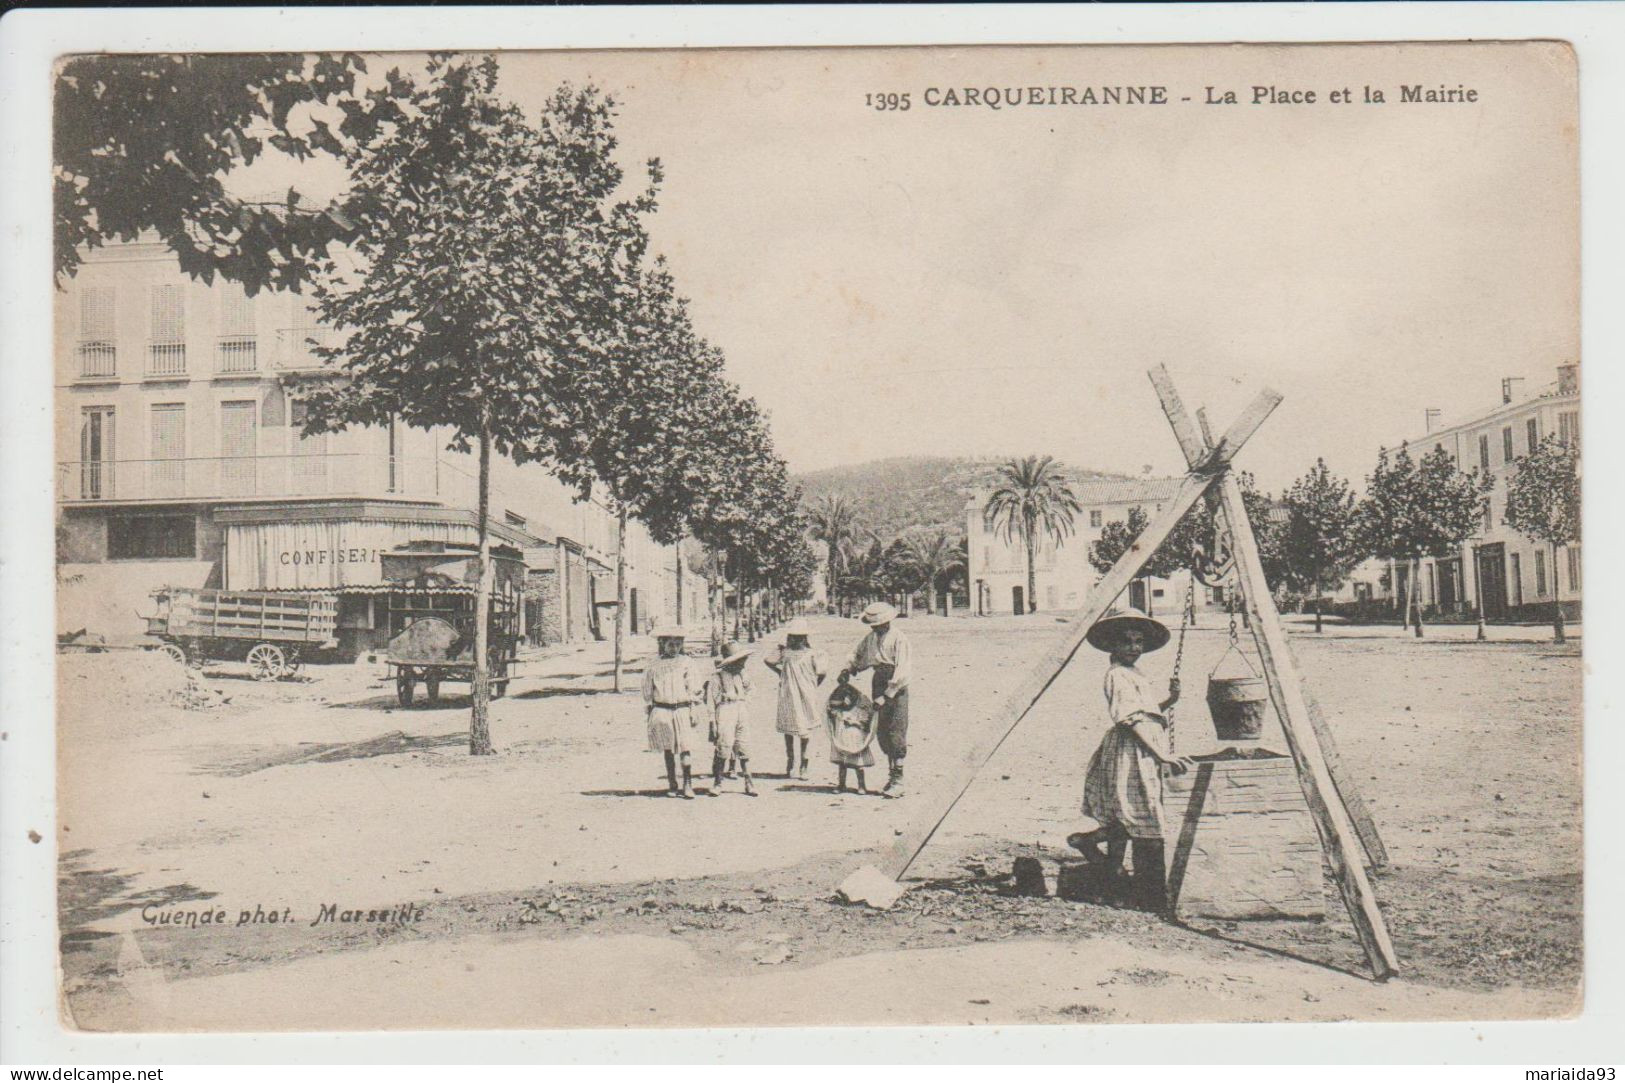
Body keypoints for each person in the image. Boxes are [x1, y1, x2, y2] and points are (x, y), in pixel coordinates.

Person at [1069, 607, 1194, 911]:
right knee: (1138, 812)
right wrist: (1161, 753)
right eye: (1127, 642)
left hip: (1143, 744)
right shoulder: (1116, 676)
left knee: (1130, 814)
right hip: (1131, 748)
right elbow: (1132, 719)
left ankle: (1110, 876)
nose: (1134, 648)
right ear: (1113, 645)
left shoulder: (1133, 673)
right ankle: (1137, 888)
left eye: (1138, 642)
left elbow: (1146, 712)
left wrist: (1169, 701)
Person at [838, 601, 913, 798]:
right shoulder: (871, 638)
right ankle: (891, 777)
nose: (876, 628)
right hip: (878, 681)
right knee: (882, 732)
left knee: (896, 730)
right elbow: (858, 655)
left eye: (879, 624)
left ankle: (899, 780)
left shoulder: (899, 639)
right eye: (873, 625)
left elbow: (903, 670)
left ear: (887, 622)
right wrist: (848, 669)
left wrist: (887, 695)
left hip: (895, 686)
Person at [642, 625, 705, 799]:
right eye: (670, 644)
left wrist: (693, 708)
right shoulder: (653, 665)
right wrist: (650, 712)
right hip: (662, 709)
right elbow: (647, 691)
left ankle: (687, 783)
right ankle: (672, 783)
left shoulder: (686, 663)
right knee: (668, 749)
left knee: (686, 748)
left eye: (678, 644)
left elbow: (694, 688)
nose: (674, 648)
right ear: (662, 643)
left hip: (682, 709)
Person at [762, 618, 827, 780]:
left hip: (806, 695)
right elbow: (768, 660)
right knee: (789, 729)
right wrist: (780, 672)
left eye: (799, 637)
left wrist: (812, 686)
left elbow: (822, 672)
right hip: (788, 694)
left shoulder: (812, 653)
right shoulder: (786, 652)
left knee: (805, 731)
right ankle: (791, 761)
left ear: (805, 638)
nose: (796, 639)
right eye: (793, 636)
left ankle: (804, 764)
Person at [708, 640, 758, 797]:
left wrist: (744, 700)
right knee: (724, 746)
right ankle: (718, 782)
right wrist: (713, 722)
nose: (743, 664)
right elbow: (711, 702)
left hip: (740, 709)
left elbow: (751, 689)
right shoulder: (717, 678)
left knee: (743, 745)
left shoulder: (743, 675)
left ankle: (749, 781)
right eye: (739, 661)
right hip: (725, 710)